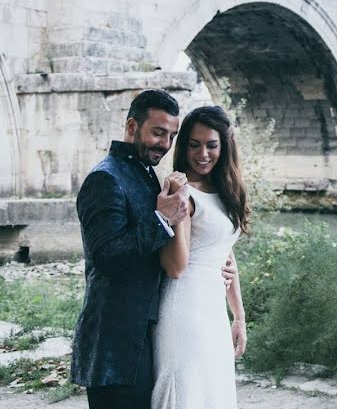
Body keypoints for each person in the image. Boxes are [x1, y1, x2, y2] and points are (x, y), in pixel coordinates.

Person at [70, 90, 237, 409]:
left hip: (144, 335)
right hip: (114, 344)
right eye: (158, 132)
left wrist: (212, 267)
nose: (164, 143)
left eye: (172, 136)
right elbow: (108, 259)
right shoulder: (104, 179)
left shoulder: (143, 173)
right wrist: (161, 217)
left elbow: (169, 249)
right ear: (132, 127)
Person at [152, 105, 250, 409]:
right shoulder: (182, 190)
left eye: (211, 145)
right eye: (194, 145)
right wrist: (175, 210)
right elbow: (176, 267)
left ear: (225, 145)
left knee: (212, 392)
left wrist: (239, 316)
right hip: (185, 309)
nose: (202, 153)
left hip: (212, 311)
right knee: (186, 392)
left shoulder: (226, 190)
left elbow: (225, 253)